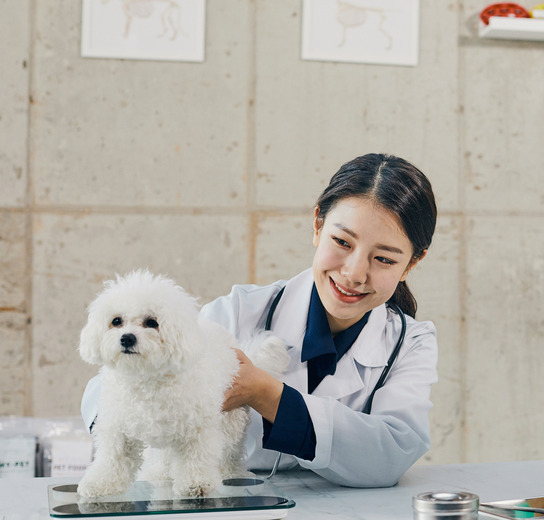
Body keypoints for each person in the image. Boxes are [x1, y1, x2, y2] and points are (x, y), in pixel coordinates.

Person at [81, 153, 438, 488]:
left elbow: (392, 453)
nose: (355, 273)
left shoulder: (411, 343)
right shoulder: (238, 311)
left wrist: (266, 394)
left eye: (385, 260)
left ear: (412, 263)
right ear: (317, 225)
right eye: (342, 242)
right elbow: (106, 390)